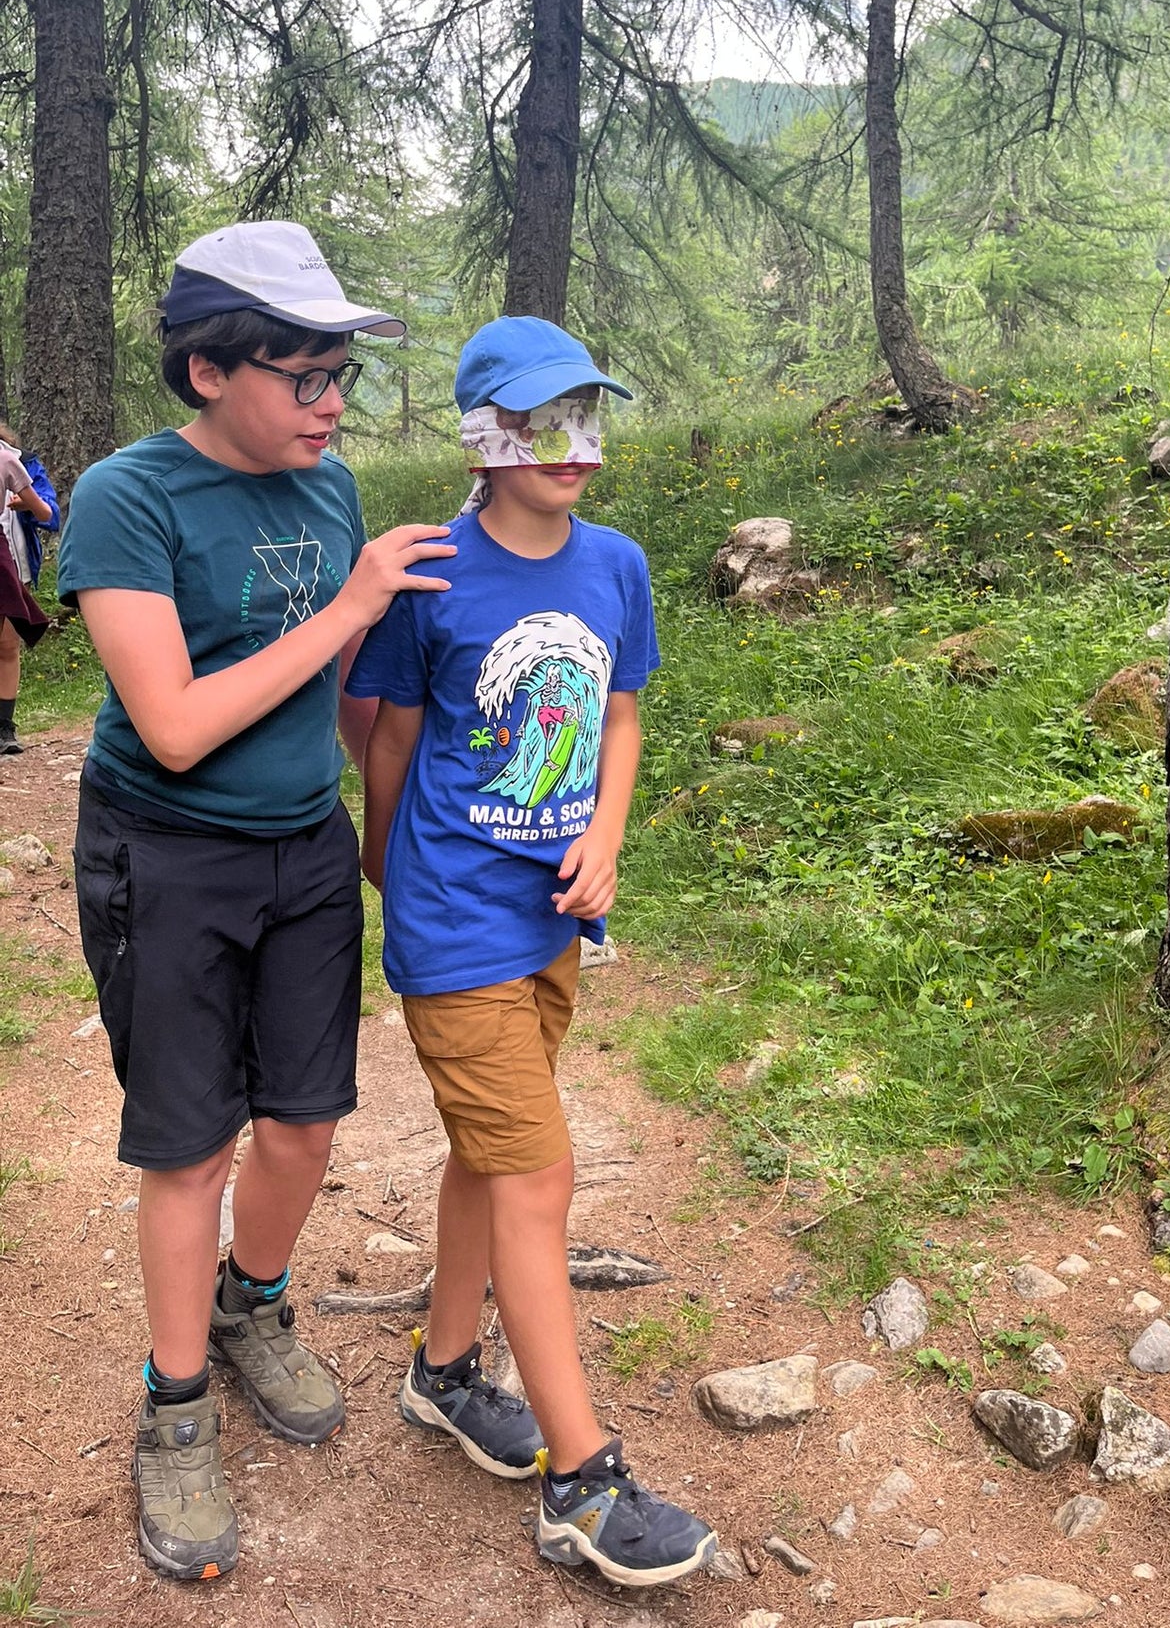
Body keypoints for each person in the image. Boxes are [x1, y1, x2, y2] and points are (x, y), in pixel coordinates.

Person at [58, 220, 457, 1582]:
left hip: (302, 848)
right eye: (301, 373)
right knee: (191, 1144)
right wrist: (348, 604)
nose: (330, 401)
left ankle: (253, 1305)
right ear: (206, 370)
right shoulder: (128, 495)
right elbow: (170, 722)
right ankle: (174, 1410)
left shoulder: (327, 485)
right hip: (164, 848)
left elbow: (348, 697)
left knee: (304, 1119)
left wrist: (390, 832)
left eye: (337, 371)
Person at [350, 315, 716, 1589]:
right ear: (484, 433)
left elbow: (617, 712)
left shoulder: (614, 564)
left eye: (586, 416)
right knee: (537, 1176)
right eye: (541, 419)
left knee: (488, 1155)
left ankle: (443, 1372)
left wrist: (608, 834)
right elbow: (384, 739)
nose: (572, 443)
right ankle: (580, 1478)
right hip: (453, 924)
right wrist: (393, 871)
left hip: (553, 921)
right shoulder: (436, 569)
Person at [0, 419, 58, 754]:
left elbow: (50, 514)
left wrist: (28, 506)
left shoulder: (19, 461)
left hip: (11, 568)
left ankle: (4, 727)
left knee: (7, 645)